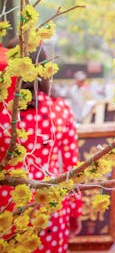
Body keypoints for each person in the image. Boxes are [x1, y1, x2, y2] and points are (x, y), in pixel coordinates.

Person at [0, 44, 82, 252]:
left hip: (6, 206)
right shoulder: (59, 109)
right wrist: (74, 211)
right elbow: (73, 168)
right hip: (49, 204)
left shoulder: (4, 111)